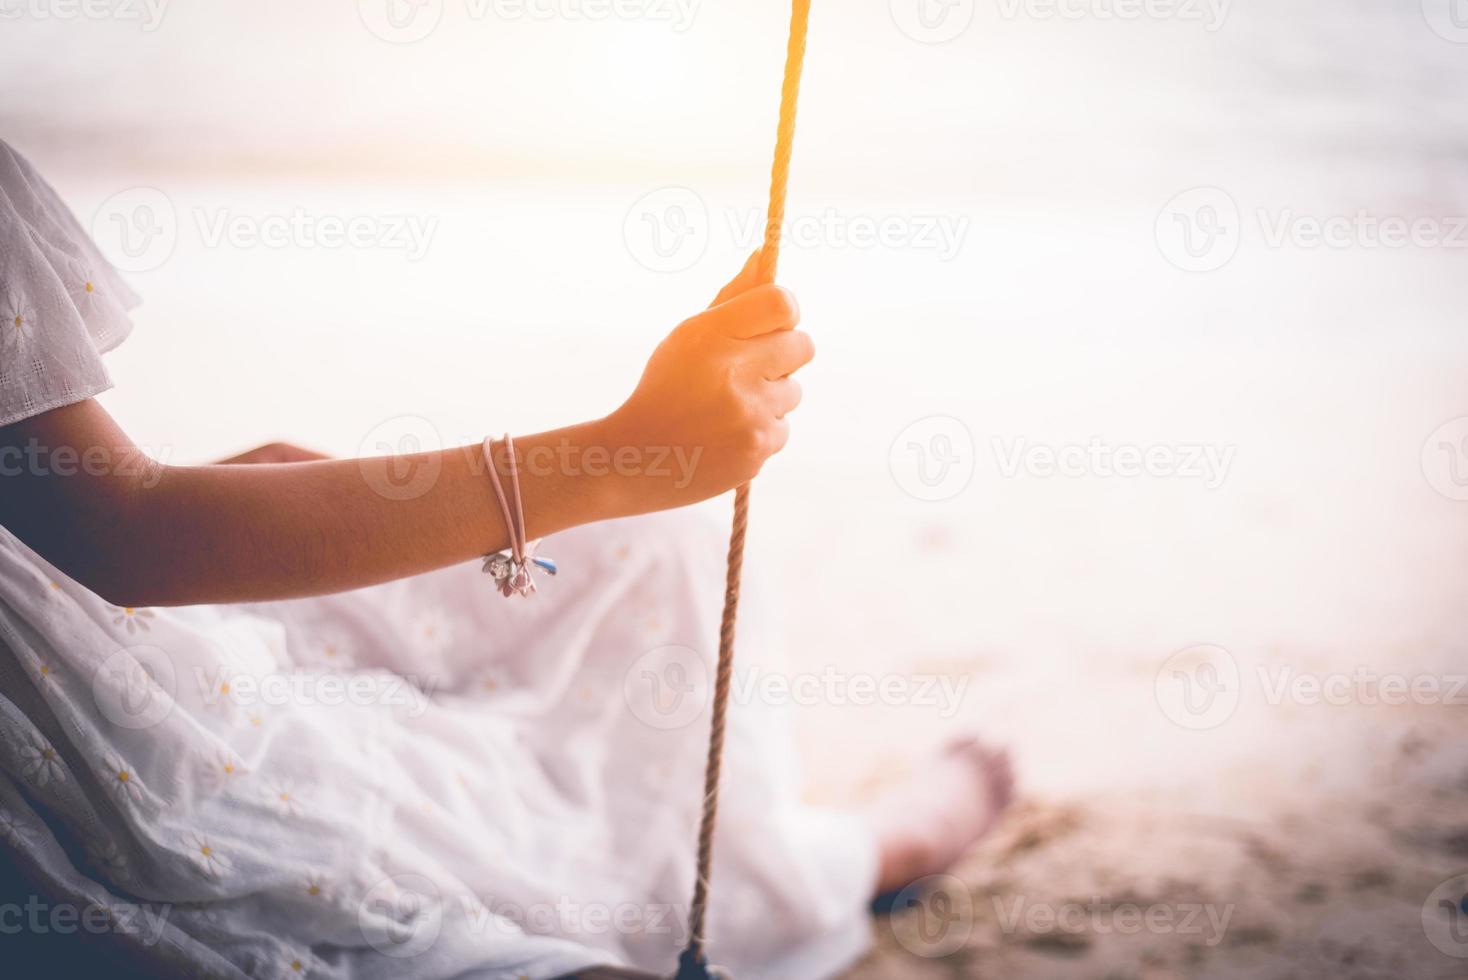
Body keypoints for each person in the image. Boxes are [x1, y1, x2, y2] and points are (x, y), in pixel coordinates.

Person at [0, 137, 1011, 979]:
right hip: (81, 787)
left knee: (640, 561)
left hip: (95, 648)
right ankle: (854, 854)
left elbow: (70, 500)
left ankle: (794, 859)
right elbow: (125, 536)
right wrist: (618, 453)